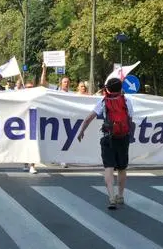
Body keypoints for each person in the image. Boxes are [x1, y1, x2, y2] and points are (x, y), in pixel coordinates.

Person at [77, 78, 134, 209]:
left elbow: (88, 118)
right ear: (121, 88)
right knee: (122, 168)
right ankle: (120, 195)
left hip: (108, 137)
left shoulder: (103, 102)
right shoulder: (127, 101)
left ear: (107, 89)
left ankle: (111, 197)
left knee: (108, 167)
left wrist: (81, 131)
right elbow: (130, 118)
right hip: (123, 137)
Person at [40, 63, 70, 168]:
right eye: (65, 82)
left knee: (64, 139)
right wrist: (44, 69)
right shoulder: (56, 89)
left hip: (66, 119)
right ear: (61, 83)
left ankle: (63, 159)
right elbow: (43, 83)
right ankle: (54, 156)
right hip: (55, 119)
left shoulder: (71, 93)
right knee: (54, 138)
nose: (66, 84)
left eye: (68, 82)